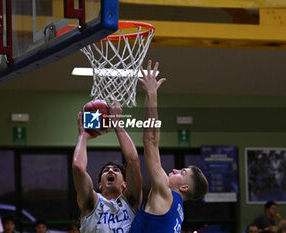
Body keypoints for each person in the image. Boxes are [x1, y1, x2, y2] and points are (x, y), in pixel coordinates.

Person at [128, 60, 209, 233]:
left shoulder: (166, 195)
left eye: (182, 172)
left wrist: (151, 94)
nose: (174, 170)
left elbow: (150, 141)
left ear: (184, 188)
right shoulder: (179, 212)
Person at [73, 101, 142, 233]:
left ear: (124, 184)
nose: (110, 170)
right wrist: (83, 136)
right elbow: (78, 168)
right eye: (106, 171)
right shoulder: (91, 203)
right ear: (100, 185)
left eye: (116, 170)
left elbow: (133, 160)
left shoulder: (131, 203)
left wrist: (117, 124)